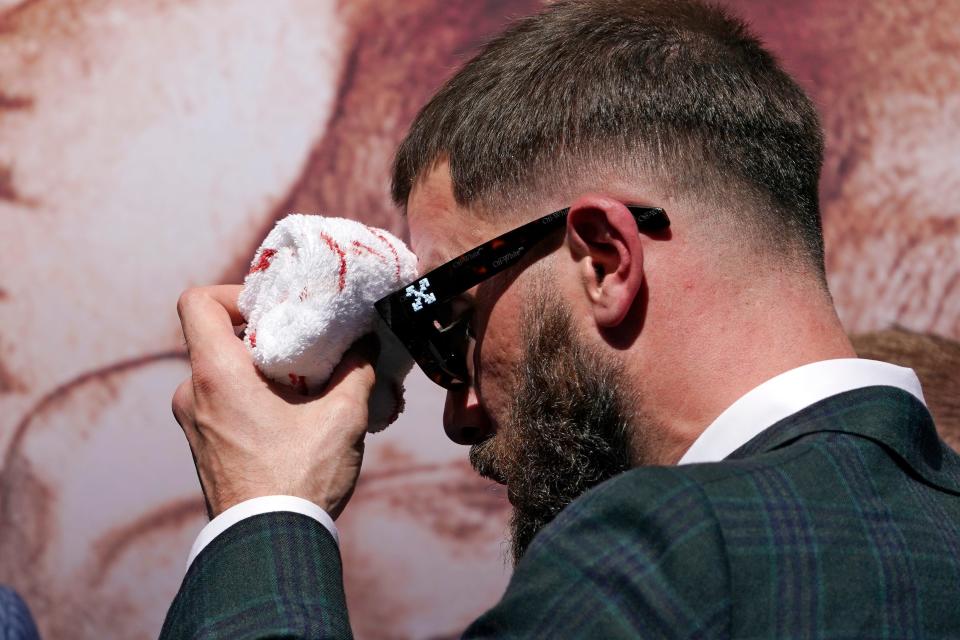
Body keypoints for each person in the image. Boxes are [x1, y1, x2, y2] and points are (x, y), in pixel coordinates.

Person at [164, 0, 960, 637]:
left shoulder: (659, 556)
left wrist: (261, 509)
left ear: (604, 259)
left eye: (452, 321)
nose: (457, 412)